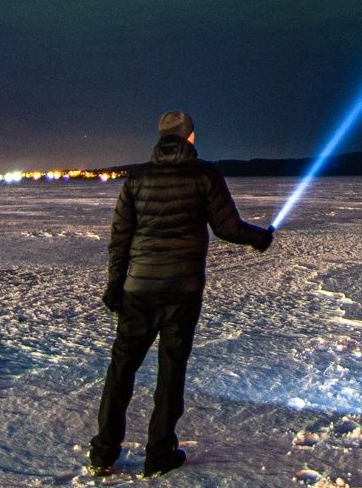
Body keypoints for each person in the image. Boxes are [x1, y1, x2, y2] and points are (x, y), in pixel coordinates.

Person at [90, 109, 274, 477]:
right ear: (189, 136)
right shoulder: (204, 174)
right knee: (171, 370)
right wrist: (259, 238)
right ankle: (159, 453)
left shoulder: (137, 177)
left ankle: (104, 452)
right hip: (182, 291)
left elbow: (120, 237)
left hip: (138, 288)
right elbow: (227, 227)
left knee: (122, 368)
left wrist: (115, 284)